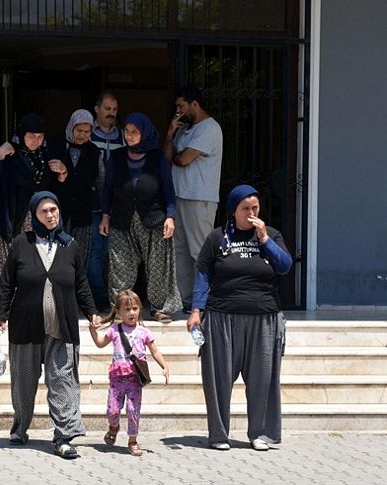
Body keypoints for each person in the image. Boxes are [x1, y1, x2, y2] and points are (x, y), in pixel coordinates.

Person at [0, 191, 100, 459]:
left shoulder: (70, 245)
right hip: (25, 325)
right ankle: (20, 429)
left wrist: (92, 313)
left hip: (61, 326)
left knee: (63, 380)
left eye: (54, 209)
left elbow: (81, 284)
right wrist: (0, 315)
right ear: (34, 215)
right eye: (44, 211)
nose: (51, 215)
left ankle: (63, 437)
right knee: (24, 382)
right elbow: (7, 283)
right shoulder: (21, 244)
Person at [187, 184, 292, 451]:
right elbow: (203, 274)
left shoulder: (271, 236)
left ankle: (260, 433)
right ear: (233, 210)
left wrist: (265, 239)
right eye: (245, 208)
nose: (251, 212)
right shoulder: (217, 238)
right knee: (218, 378)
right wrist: (197, 311)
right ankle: (219, 435)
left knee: (262, 379)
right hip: (223, 316)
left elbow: (284, 266)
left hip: (264, 316)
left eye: (255, 207)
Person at [100, 112, 182, 323]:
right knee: (120, 264)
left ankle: (159, 308)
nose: (129, 136)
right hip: (121, 218)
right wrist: (105, 216)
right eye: (127, 131)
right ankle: (120, 309)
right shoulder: (117, 157)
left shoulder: (157, 158)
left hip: (154, 218)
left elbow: (168, 190)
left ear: (144, 133)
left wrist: (170, 217)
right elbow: (108, 188)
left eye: (134, 132)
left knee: (157, 265)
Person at [162, 85, 223, 313]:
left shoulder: (210, 128)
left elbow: (183, 159)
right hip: (179, 196)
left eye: (181, 106)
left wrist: (177, 155)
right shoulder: (184, 130)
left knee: (200, 251)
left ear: (194, 104)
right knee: (179, 251)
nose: (178, 111)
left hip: (200, 198)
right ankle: (186, 300)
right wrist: (170, 134)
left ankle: (204, 301)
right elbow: (167, 159)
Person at [88, 290, 170, 457]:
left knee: (133, 411)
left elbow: (154, 351)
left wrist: (164, 365)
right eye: (127, 309)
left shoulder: (144, 332)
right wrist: (93, 331)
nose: (132, 313)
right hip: (117, 379)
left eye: (135, 308)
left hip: (134, 379)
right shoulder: (115, 330)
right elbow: (100, 344)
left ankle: (133, 441)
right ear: (118, 311)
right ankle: (113, 427)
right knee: (113, 410)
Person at [0, 113, 63, 279]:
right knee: (10, 267)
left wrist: (63, 172)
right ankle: (9, 304)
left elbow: (56, 188)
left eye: (40, 136)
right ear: (22, 135)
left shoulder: (46, 156)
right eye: (31, 136)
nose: (36, 140)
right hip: (13, 218)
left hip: (39, 219)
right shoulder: (11, 154)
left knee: (36, 267)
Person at [88, 91, 126, 311]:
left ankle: (117, 299)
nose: (111, 113)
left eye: (114, 109)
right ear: (97, 109)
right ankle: (99, 298)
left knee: (116, 255)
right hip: (93, 204)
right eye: (107, 109)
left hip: (117, 206)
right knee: (95, 253)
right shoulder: (86, 132)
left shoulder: (123, 136)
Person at [49, 109, 101, 268]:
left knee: (79, 260)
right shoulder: (56, 145)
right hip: (58, 212)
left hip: (82, 213)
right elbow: (49, 180)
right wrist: (62, 175)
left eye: (87, 131)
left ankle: (75, 293)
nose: (82, 135)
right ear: (71, 127)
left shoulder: (93, 151)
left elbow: (94, 180)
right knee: (55, 260)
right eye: (79, 130)